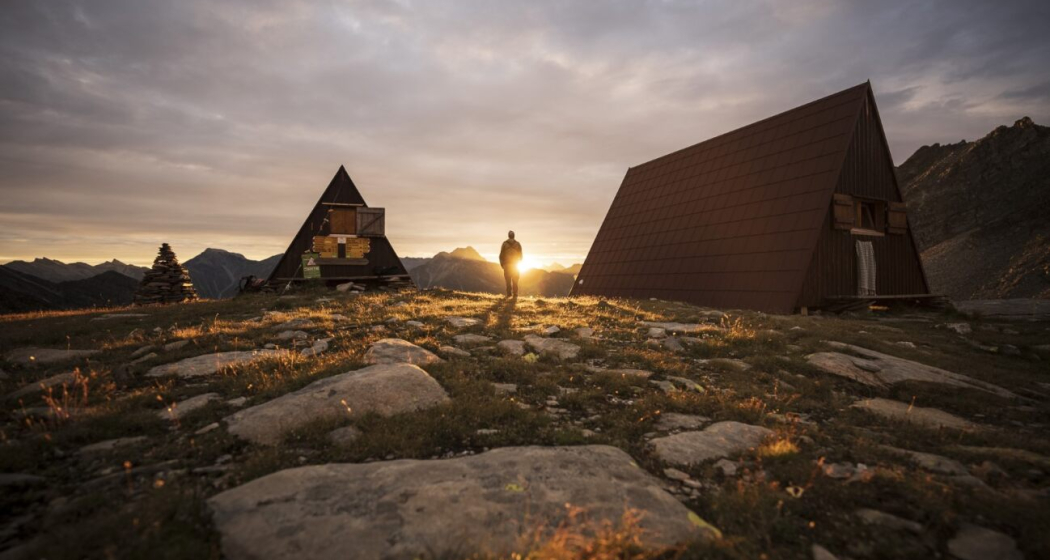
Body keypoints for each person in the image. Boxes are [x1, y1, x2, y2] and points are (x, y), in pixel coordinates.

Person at [499, 230, 523, 298]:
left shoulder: (504, 243)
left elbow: (501, 255)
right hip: (515, 265)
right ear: (514, 236)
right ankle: (515, 294)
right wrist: (519, 263)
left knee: (508, 280)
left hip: (507, 265)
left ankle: (509, 294)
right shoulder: (518, 244)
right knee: (515, 280)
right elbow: (521, 255)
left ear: (508, 236)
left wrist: (502, 264)